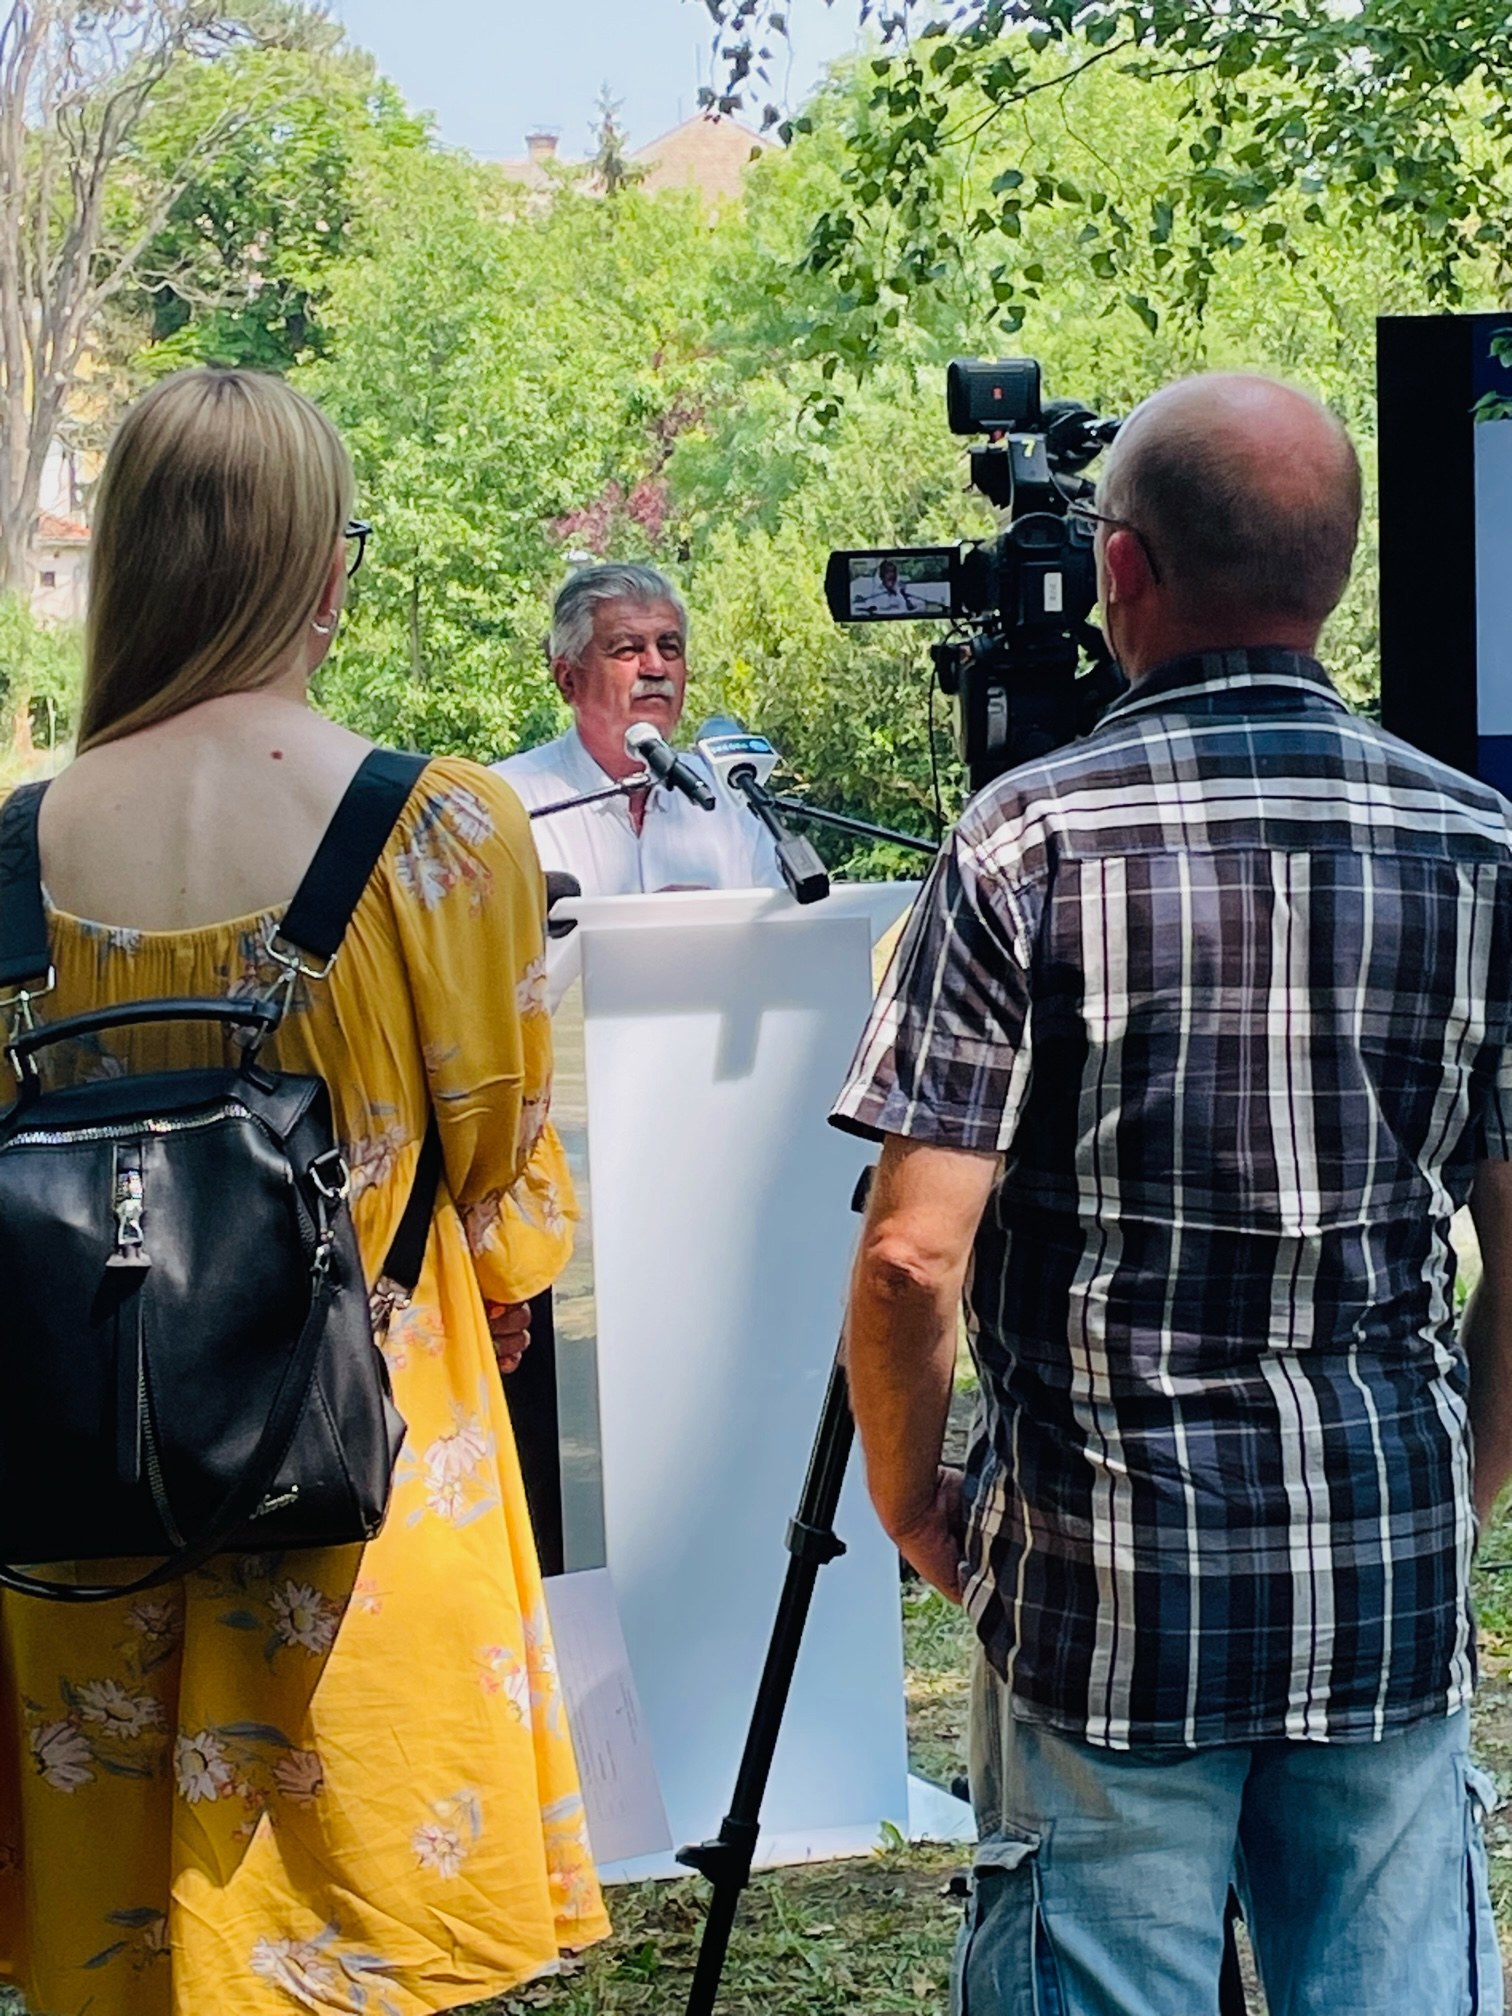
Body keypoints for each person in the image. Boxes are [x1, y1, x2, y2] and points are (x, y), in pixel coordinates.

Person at [832, 372, 1511, 2015]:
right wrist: (1467, 1485)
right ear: (1335, 570)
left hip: (1101, 1574)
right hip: (1386, 1559)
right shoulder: (1477, 843)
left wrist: (910, 1505)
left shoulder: (1024, 841)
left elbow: (913, 1255)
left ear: (1118, 570)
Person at [0, 368, 608, 2016]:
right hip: (358, 1497)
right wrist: (483, 1266)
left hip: (83, 1520)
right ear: (321, 571)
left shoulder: (13, 851)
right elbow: (502, 1179)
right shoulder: (442, 832)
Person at [494, 561, 785, 900]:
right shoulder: (508, 802)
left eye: (669, 647)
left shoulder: (729, 796)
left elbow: (784, 926)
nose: (656, 667)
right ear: (568, 679)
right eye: (627, 649)